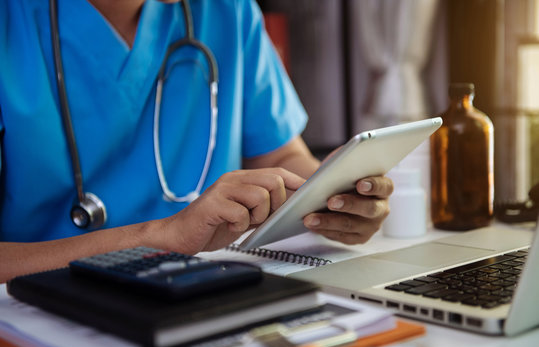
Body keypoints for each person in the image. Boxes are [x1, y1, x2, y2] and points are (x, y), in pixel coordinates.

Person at [0, 0, 393, 283]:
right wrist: (159, 237)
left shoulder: (227, 11)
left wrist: (335, 194)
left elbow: (280, 155)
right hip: (44, 304)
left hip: (209, 285)